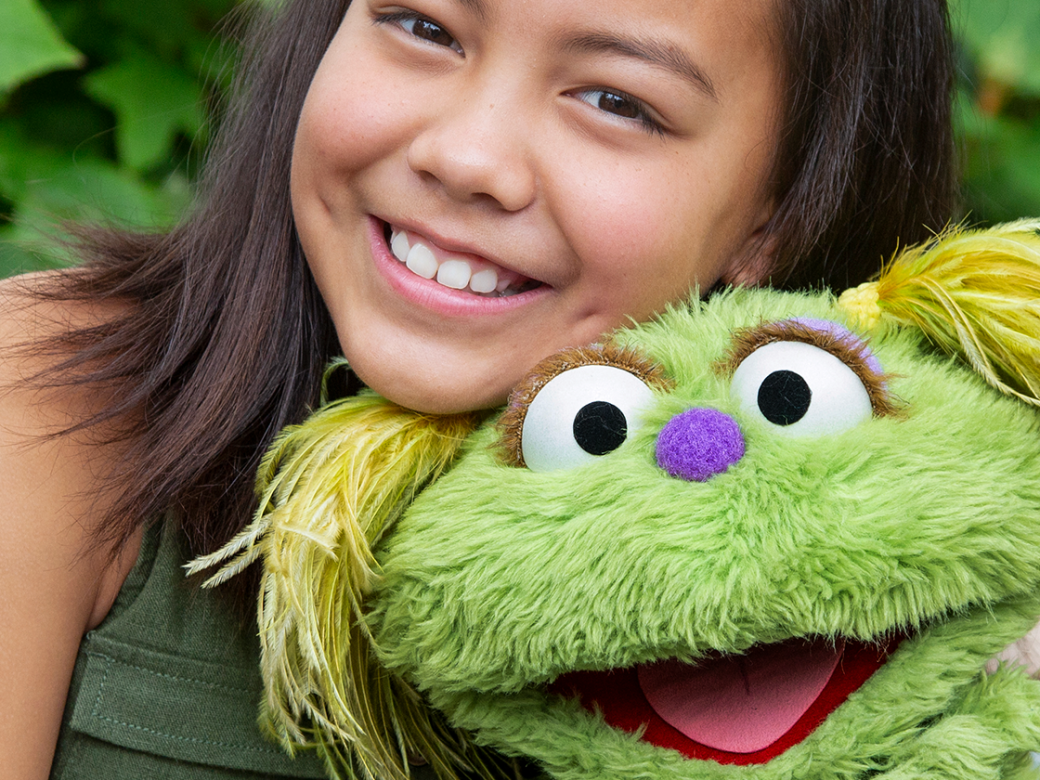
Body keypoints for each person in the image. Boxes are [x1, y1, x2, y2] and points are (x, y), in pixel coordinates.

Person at [0, 0, 957, 778]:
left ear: (777, 218)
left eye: (617, 101)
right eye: (423, 27)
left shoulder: (886, 611)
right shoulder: (46, 400)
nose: (465, 158)